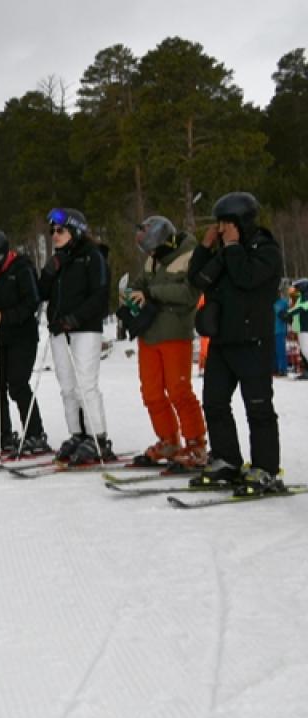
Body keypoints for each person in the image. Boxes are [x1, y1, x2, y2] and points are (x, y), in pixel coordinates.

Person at [187, 191, 284, 495]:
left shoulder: (265, 250)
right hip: (223, 341)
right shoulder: (224, 250)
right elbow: (199, 279)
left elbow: (246, 277)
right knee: (214, 402)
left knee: (258, 407)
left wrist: (230, 247)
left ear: (243, 221)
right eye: (220, 224)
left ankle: (266, 469)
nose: (223, 229)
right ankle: (227, 459)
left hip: (253, 340)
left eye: (227, 223)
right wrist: (205, 247)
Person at [120, 216, 206, 468]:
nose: (151, 254)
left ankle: (196, 444)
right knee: (151, 392)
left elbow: (189, 293)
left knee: (179, 390)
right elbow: (140, 283)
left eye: (153, 249)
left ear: (165, 240)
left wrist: (151, 293)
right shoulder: (152, 259)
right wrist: (128, 295)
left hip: (174, 332)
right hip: (149, 333)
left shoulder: (189, 256)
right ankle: (168, 440)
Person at [38, 208, 113, 465]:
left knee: (85, 385)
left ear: (76, 231)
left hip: (84, 329)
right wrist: (47, 274)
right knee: (67, 387)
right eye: (52, 231)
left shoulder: (92, 257)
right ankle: (78, 433)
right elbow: (42, 294)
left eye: (60, 231)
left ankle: (98, 436)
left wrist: (76, 318)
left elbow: (101, 296)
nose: (54, 235)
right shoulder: (59, 260)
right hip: (60, 331)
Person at [0, 230, 49, 456]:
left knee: (17, 385)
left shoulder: (22, 268)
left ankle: (35, 433)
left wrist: (5, 317)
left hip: (21, 337)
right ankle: (1, 432)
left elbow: (32, 302)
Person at [288, 280, 308, 379]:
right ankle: (306, 371)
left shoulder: (306, 296)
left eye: (296, 287)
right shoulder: (301, 296)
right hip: (301, 327)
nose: (294, 290)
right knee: (303, 351)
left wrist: (288, 314)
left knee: (306, 350)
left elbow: (301, 308)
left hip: (305, 327)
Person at [272, 283, 290, 376]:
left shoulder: (283, 303)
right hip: (270, 331)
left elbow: (289, 315)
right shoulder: (269, 302)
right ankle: (274, 369)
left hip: (280, 331)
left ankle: (283, 369)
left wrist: (285, 315)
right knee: (272, 351)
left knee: (280, 351)